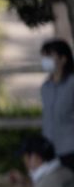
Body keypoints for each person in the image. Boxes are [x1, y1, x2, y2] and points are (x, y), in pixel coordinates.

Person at [40, 39, 74, 172]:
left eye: (50, 55)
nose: (45, 60)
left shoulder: (71, 84)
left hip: (70, 148)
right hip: (51, 150)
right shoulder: (45, 87)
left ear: (63, 59)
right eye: (44, 56)